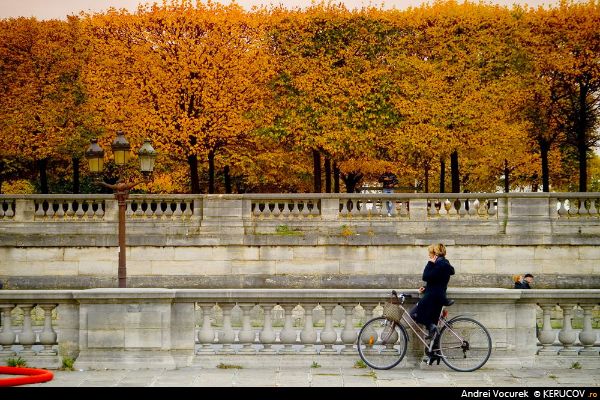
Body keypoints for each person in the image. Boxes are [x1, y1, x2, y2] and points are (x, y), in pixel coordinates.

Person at [410, 243, 455, 342]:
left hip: (433, 296)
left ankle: (431, 326)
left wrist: (430, 263)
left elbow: (425, 276)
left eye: (430, 253)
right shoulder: (444, 263)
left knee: (414, 314)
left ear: (435, 254)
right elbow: (438, 280)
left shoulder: (440, 264)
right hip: (436, 294)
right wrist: (425, 288)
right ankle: (434, 354)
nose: (429, 255)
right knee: (433, 331)